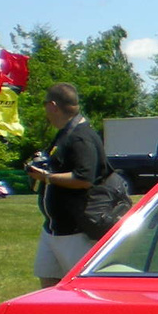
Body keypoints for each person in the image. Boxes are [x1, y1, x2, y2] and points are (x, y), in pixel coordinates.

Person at [25, 83, 109, 288]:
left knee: (82, 288)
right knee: (48, 283)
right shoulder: (64, 134)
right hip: (53, 229)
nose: (45, 111)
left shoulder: (81, 136)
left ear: (53, 105)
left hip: (76, 230)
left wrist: (47, 177)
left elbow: (84, 178)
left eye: (45, 105)